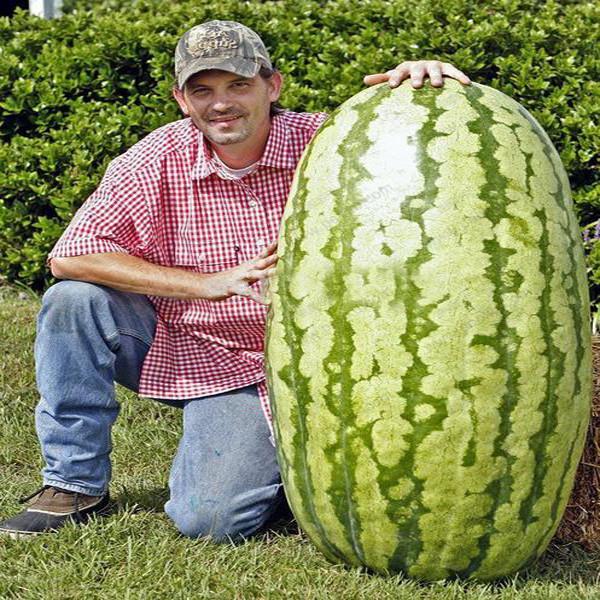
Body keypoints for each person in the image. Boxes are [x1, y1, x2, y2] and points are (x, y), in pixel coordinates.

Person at [0, 20, 471, 540]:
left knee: (211, 521)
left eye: (238, 85)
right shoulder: (155, 159)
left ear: (273, 86)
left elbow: (420, 142)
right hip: (197, 348)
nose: (221, 104)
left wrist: (422, 83)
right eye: (203, 90)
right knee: (73, 301)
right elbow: (71, 255)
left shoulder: (332, 144)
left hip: (315, 362)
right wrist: (205, 283)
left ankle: (284, 474)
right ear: (182, 99)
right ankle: (73, 482)